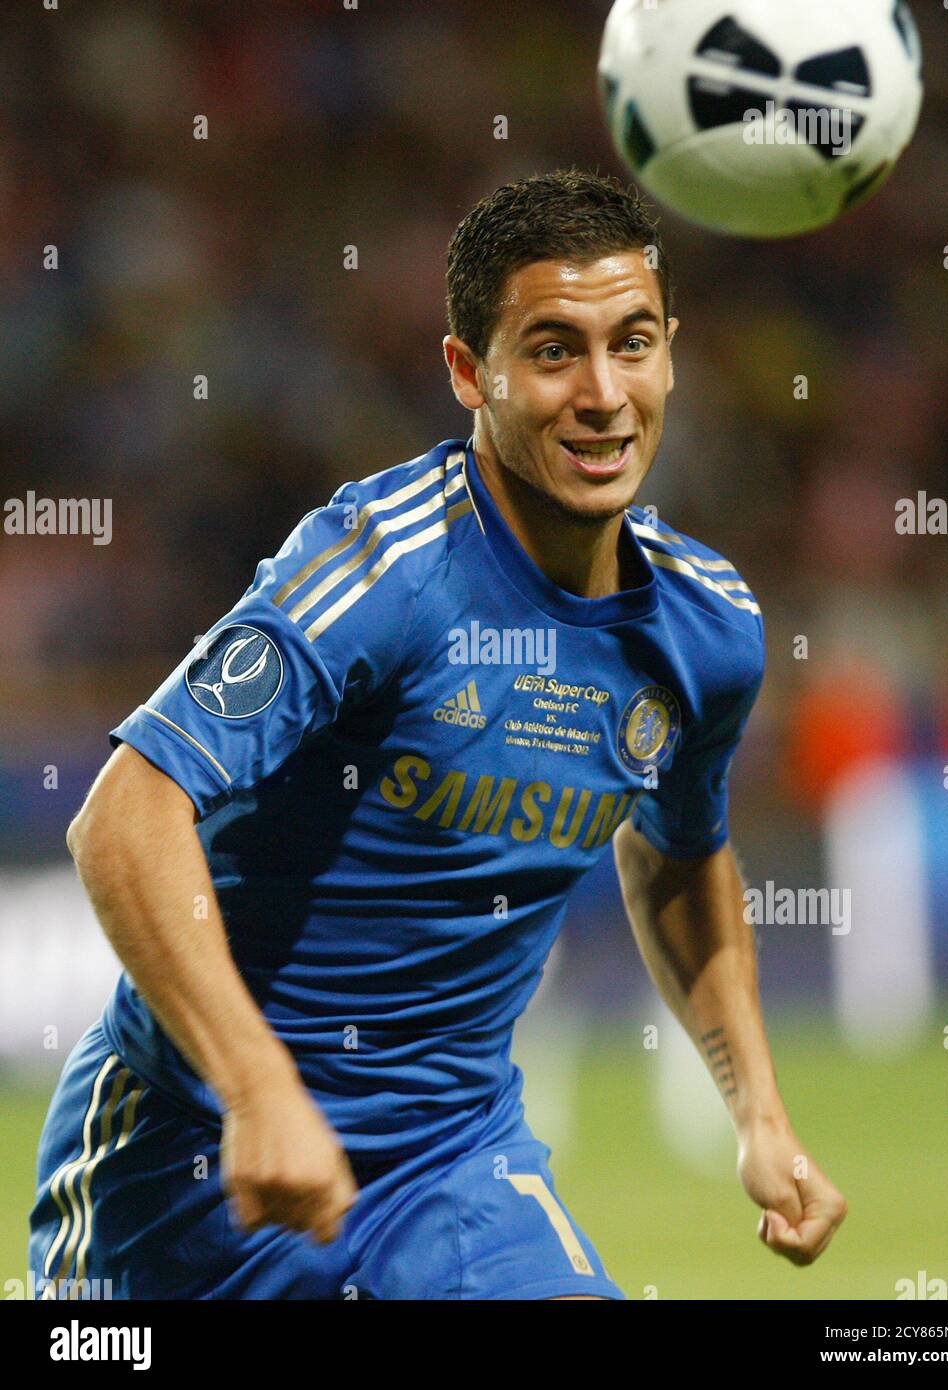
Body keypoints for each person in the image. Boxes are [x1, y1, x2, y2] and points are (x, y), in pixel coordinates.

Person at [30, 169, 846, 1301]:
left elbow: (678, 849)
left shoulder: (707, 629)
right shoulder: (380, 568)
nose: (605, 393)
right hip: (191, 1162)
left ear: (671, 355)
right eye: (555, 349)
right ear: (472, 372)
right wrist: (260, 1089)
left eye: (634, 343)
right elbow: (123, 815)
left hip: (453, 1166)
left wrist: (758, 1109)